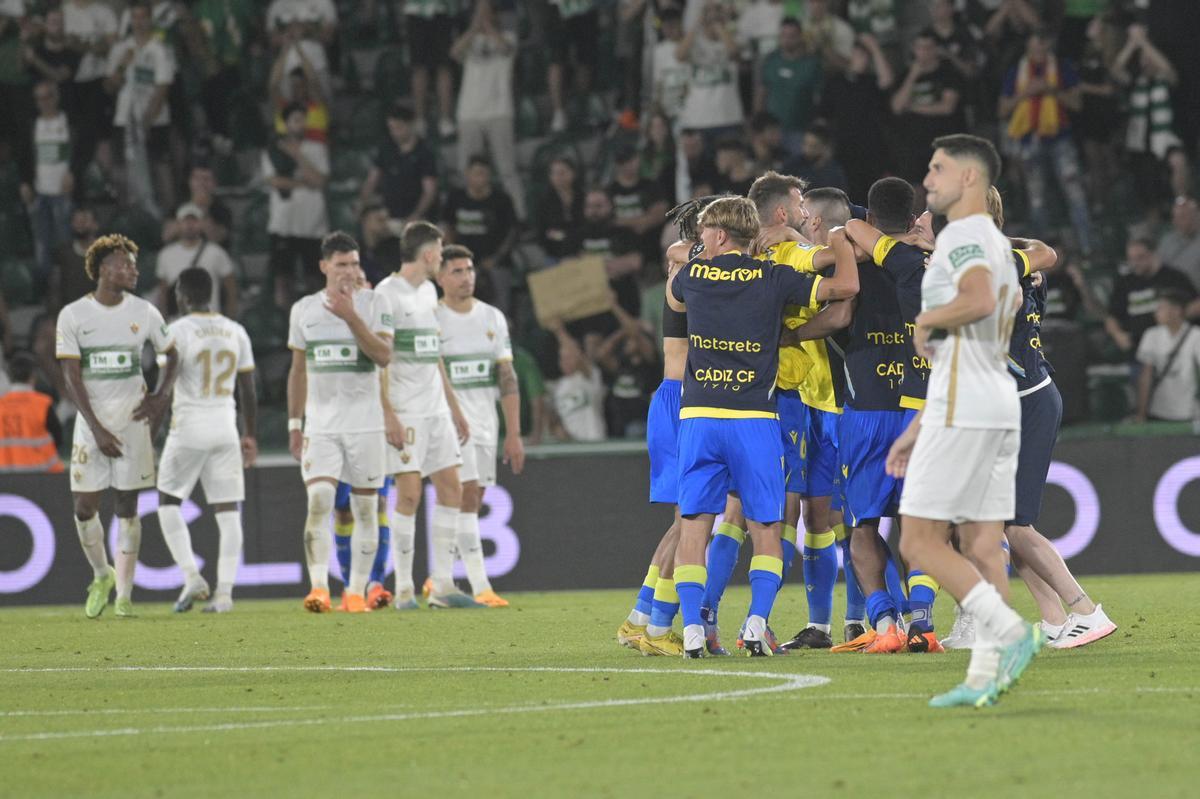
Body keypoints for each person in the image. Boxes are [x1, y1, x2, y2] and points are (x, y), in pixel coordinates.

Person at [886, 134, 1043, 708]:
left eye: (938, 169)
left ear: (969, 179)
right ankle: (986, 675)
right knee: (981, 542)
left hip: (965, 404)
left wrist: (928, 320)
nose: (927, 181)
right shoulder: (997, 243)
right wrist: (914, 426)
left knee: (920, 541)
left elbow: (974, 300)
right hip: (993, 397)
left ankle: (1004, 630)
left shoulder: (962, 241)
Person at [667, 195, 860, 658]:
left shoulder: (693, 275)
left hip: (699, 418)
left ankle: (693, 627)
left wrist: (695, 257)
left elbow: (674, 292)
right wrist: (836, 235)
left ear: (714, 235)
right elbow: (846, 287)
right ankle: (756, 623)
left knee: (695, 528)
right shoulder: (775, 278)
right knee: (768, 529)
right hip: (755, 419)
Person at [56, 233, 179, 618]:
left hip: (131, 422)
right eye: (125, 264)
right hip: (92, 424)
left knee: (127, 505)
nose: (133, 270)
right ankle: (101, 575)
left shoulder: (144, 312)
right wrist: (96, 428)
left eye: (133, 264)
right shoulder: (74, 315)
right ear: (103, 269)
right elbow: (71, 377)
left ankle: (124, 596)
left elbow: (172, 355)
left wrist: (160, 397)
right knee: (84, 505)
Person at [376, 229, 491, 609]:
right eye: (440, 251)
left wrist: (454, 408)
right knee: (408, 494)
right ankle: (405, 589)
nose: (442, 257)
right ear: (428, 255)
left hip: (436, 410)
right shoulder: (385, 294)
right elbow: (381, 362)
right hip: (405, 410)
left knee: (452, 490)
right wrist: (388, 412)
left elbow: (433, 356)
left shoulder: (427, 294)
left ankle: (441, 584)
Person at [286, 231, 393, 614]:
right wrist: (294, 425)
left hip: (366, 424)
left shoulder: (375, 303)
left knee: (366, 511)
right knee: (319, 500)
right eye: (341, 264)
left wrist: (351, 317)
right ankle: (318, 587)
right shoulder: (303, 310)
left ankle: (356, 591)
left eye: (353, 263)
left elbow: (383, 356)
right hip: (322, 426)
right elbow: (297, 372)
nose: (349, 271)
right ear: (324, 266)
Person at [155, 267, 257, 615]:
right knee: (228, 512)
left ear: (182, 295)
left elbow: (164, 386)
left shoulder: (177, 331)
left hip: (189, 427)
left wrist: (153, 431)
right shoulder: (236, 330)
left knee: (168, 503)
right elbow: (249, 389)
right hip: (226, 426)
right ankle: (225, 594)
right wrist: (251, 434)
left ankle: (191, 575)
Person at [436, 244, 525, 604]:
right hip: (448, 423)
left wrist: (514, 432)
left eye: (469, 269)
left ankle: (439, 577)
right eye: (457, 271)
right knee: (465, 493)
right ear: (440, 277)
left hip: (486, 423)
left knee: (474, 497)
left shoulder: (491, 317)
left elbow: (507, 376)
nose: (466, 276)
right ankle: (480, 585)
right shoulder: (432, 318)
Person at [999, 30, 1092, 254]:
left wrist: (1052, 90)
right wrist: (1026, 93)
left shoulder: (1062, 68)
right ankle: (1042, 254)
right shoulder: (1017, 73)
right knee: (1037, 199)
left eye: (1043, 49)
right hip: (1030, 141)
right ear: (1028, 49)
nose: (1039, 54)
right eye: (1034, 49)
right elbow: (1002, 109)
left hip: (1060, 139)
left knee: (1075, 194)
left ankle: (1088, 248)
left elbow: (1077, 104)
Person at [451, 0, 522, 218]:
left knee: (506, 169)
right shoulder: (470, 40)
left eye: (487, 12)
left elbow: (505, 48)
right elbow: (454, 52)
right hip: (469, 112)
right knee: (466, 169)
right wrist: (474, 27)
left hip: (499, 110)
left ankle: (518, 215)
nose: (482, 16)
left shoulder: (508, 37)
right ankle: (468, 214)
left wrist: (488, 25)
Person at [104, 0, 175, 216]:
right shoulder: (121, 48)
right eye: (135, 17)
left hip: (155, 119)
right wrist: (124, 64)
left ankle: (168, 215)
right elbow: (109, 86)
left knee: (160, 166)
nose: (139, 22)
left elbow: (162, 87)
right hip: (124, 119)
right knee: (121, 168)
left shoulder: (160, 49)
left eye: (143, 17)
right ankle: (128, 215)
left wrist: (146, 121)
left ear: (150, 19)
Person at [264, 102, 329, 308]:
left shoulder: (317, 149)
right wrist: (304, 183)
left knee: (315, 278)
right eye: (296, 120)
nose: (301, 125)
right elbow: (274, 181)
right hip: (283, 223)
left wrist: (297, 155)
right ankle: (287, 324)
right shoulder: (272, 150)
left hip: (313, 224)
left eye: (303, 120)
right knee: (283, 278)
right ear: (286, 124)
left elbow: (319, 181)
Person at [442, 155, 518, 312]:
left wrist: (495, 259)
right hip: (463, 261)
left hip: (495, 262)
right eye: (476, 173)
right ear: (467, 174)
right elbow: (447, 226)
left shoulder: (501, 200)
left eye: (483, 174)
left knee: (499, 302)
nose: (479, 178)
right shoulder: (456, 198)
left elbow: (511, 233)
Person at [1104, 237, 1197, 364]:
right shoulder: (1124, 283)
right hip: (1139, 348)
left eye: (1140, 257)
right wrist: (1118, 335)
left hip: (1175, 346)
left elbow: (1196, 304)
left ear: (1154, 254)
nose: (1135, 263)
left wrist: (1176, 316)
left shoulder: (1175, 277)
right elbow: (1112, 317)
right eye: (1131, 259)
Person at [23, 80, 74, 296]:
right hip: (40, 192)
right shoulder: (33, 125)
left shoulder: (66, 121)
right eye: (39, 99)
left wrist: (73, 174)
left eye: (47, 97)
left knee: (64, 242)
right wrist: (25, 183)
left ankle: (67, 289)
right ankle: (45, 294)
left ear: (55, 97)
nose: (43, 103)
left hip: (62, 192)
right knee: (41, 245)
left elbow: (76, 151)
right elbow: (26, 156)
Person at [359, 104, 438, 230]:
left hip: (415, 214)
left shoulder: (424, 152)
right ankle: (372, 250)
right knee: (370, 223)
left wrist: (416, 215)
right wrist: (362, 202)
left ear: (410, 125)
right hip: (388, 213)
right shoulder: (386, 148)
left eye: (399, 127)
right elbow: (372, 180)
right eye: (391, 128)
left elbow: (429, 192)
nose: (394, 132)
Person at [155, 203, 238, 318]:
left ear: (201, 224)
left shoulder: (216, 252)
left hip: (210, 321)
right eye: (185, 221)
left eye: (194, 221)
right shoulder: (165, 255)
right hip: (178, 322)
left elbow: (231, 288)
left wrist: (231, 317)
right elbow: (163, 292)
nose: (189, 225)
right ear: (178, 224)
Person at [755, 17, 822, 155]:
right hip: (771, 131)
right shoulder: (771, 61)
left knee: (796, 171)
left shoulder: (812, 63)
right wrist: (757, 126)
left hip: (800, 128)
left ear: (800, 37)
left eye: (792, 36)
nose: (787, 40)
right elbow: (761, 92)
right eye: (783, 35)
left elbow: (819, 98)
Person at [1134, 290, 1200, 424]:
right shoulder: (1151, 335)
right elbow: (1146, 376)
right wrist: (1141, 412)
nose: (1156, 313)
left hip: (1190, 411)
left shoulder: (1196, 336)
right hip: (1159, 410)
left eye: (1161, 308)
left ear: (1176, 311)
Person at [0, 351, 64, 473]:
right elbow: (58, 438)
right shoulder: (42, 404)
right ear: (33, 376)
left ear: (10, 377)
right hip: (39, 474)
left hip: (3, 476)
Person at [546, 319, 607, 443]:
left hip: (596, 444)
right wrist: (558, 430)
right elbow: (554, 421)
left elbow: (576, 354)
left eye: (568, 357)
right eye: (562, 358)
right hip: (573, 448)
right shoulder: (558, 387)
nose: (565, 361)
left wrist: (559, 331)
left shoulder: (589, 376)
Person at [403, 0, 458, 137]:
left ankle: (445, 119)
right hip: (416, 11)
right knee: (419, 68)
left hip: (442, 11)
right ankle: (420, 120)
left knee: (444, 67)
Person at [546, 0, 597, 133]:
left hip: (585, 8)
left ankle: (581, 109)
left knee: (586, 61)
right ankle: (559, 112)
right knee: (557, 60)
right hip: (558, 7)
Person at [1158, 196, 1200, 290]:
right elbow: (1160, 270)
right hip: (1176, 295)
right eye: (1180, 217)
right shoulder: (1167, 242)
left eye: (1189, 215)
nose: (1187, 220)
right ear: (1174, 221)